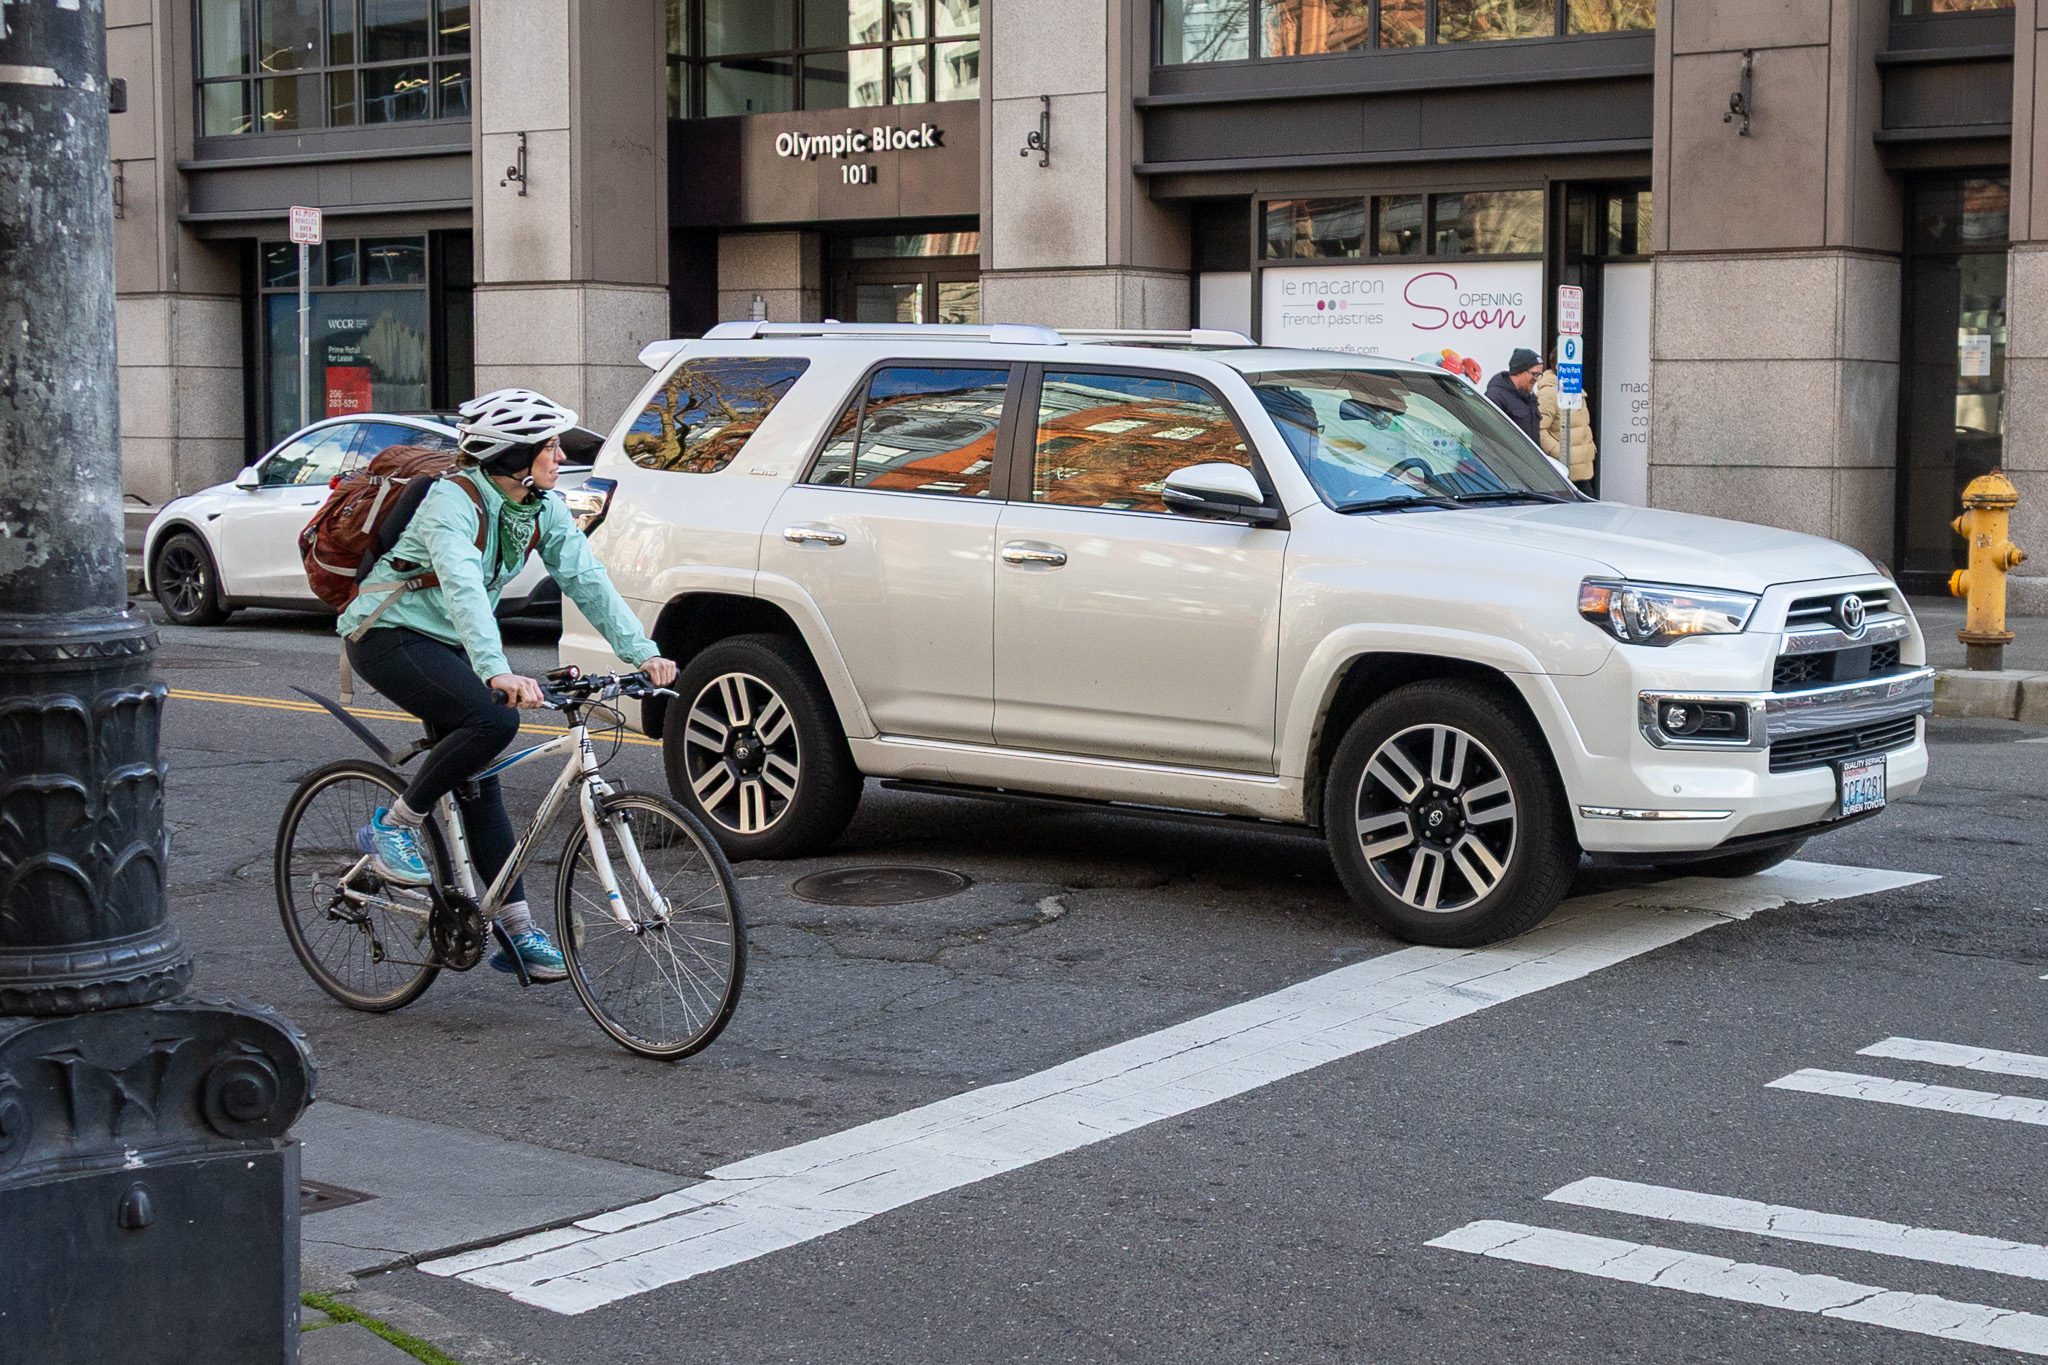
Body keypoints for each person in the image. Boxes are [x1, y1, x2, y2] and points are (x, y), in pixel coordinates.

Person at [338, 389, 677, 982]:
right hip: (388, 633)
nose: (557, 453)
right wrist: (496, 670)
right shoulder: (452, 502)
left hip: (450, 642)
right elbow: (465, 588)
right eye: (545, 444)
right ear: (511, 455)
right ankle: (391, 827)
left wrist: (643, 653)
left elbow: (586, 579)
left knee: (480, 781)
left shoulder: (541, 506)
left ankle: (516, 933)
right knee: (495, 721)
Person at [1536, 343, 1596, 492]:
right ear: (1557, 366)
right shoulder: (1549, 393)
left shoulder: (1576, 390)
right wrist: (1560, 453)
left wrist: (1590, 449)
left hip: (1584, 470)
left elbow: (1583, 426)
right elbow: (1539, 429)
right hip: (1565, 472)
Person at [1483, 348, 1543, 446]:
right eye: (1534, 374)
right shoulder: (1495, 397)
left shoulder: (1530, 398)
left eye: (1539, 375)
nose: (1536, 379)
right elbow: (1488, 440)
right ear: (1519, 371)